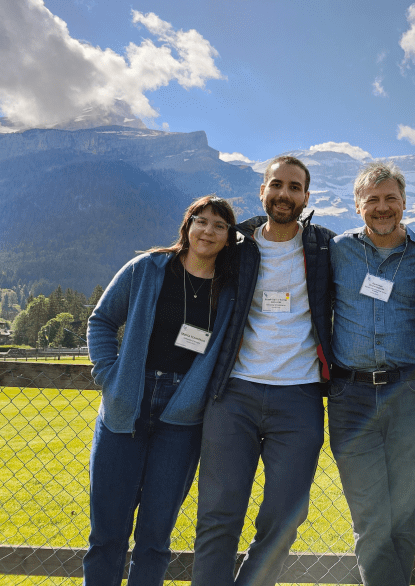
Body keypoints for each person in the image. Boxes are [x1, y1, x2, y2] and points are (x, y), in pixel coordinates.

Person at [191, 156, 334, 586]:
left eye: (294, 188)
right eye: (277, 185)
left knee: (284, 518)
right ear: (262, 191)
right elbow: (189, 267)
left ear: (306, 197)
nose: (284, 194)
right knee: (218, 514)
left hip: (301, 398)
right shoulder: (235, 247)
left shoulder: (325, 247)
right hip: (234, 396)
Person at [84, 194, 237, 586]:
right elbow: (101, 321)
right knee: (107, 535)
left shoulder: (232, 289)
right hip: (126, 408)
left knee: (155, 538)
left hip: (182, 416)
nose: (209, 231)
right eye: (201, 221)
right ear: (187, 226)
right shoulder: (147, 269)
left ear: (229, 236)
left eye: (219, 225)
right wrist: (109, 376)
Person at [328, 161, 415, 586]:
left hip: (408, 394)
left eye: (391, 198)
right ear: (357, 206)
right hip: (351, 398)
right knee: (371, 519)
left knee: (403, 517)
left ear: (405, 203)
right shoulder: (336, 251)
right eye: (372, 200)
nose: (382, 207)